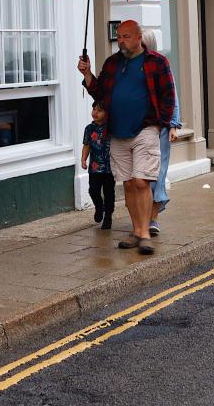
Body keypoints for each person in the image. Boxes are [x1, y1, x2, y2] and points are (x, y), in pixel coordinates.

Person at [78, 20, 176, 255]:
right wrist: (88, 73)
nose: (121, 40)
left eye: (126, 36)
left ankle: (144, 233)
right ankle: (136, 231)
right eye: (119, 36)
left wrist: (159, 124)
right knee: (129, 183)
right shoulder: (113, 63)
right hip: (118, 132)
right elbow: (100, 92)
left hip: (145, 130)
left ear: (139, 37)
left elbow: (168, 95)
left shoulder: (157, 62)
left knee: (142, 181)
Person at [140, 29, 182, 236]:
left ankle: (153, 219)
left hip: (162, 130)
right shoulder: (131, 68)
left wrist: (173, 125)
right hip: (139, 129)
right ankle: (142, 220)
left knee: (158, 174)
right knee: (141, 175)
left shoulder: (162, 66)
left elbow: (173, 98)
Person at [81, 101, 115, 229]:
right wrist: (83, 159)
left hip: (109, 168)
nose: (95, 113)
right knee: (93, 190)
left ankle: (108, 216)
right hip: (95, 167)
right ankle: (99, 207)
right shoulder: (89, 129)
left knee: (109, 192)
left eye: (99, 110)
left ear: (106, 113)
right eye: (94, 109)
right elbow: (86, 145)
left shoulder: (111, 127)